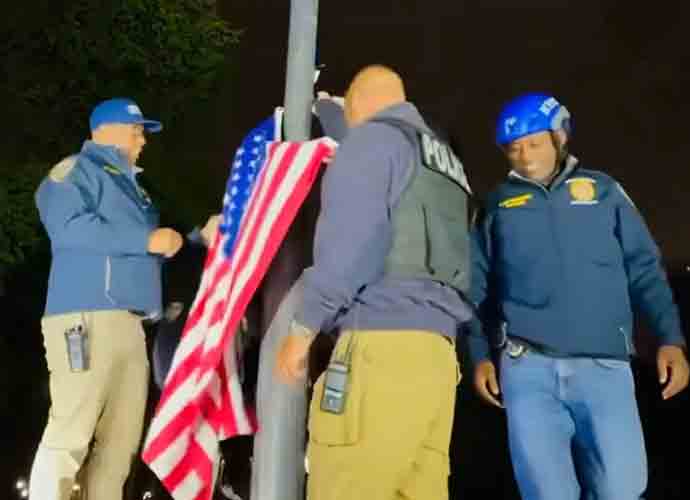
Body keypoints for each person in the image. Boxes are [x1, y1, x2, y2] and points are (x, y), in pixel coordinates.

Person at [469, 92, 690, 499]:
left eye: (534, 143)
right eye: (514, 148)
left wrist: (670, 339)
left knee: (621, 489)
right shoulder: (496, 206)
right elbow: (476, 286)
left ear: (559, 137)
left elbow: (644, 268)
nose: (524, 156)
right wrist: (480, 354)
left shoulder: (604, 192)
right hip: (527, 370)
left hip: (604, 366)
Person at [275, 65, 473, 500]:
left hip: (380, 351)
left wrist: (303, 329)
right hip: (438, 359)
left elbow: (352, 243)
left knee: (345, 484)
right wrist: (330, 113)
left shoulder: (370, 142)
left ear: (360, 105)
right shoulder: (443, 160)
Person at [29, 98, 183, 500]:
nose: (142, 140)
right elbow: (68, 228)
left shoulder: (134, 190)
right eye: (135, 130)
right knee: (71, 432)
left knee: (120, 446)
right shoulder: (75, 171)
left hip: (131, 326)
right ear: (107, 131)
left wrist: (199, 238)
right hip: (85, 318)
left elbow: (143, 255)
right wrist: (145, 239)